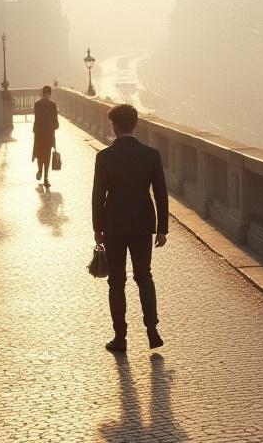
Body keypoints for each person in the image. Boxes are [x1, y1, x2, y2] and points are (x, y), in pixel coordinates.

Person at [92, 104, 168, 353]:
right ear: (135, 124)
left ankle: (120, 337)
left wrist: (97, 228)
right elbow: (160, 194)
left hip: (114, 225)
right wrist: (162, 228)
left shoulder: (104, 157)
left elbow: (98, 196)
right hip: (143, 225)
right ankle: (152, 329)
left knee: (117, 282)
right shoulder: (151, 155)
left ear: (114, 126)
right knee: (144, 275)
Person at [32, 86, 60, 187]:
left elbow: (37, 119)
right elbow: (56, 122)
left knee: (40, 154)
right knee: (46, 155)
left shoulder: (37, 104)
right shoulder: (53, 105)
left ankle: (41, 171)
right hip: (49, 134)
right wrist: (53, 126)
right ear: (48, 93)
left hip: (40, 134)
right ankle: (46, 178)